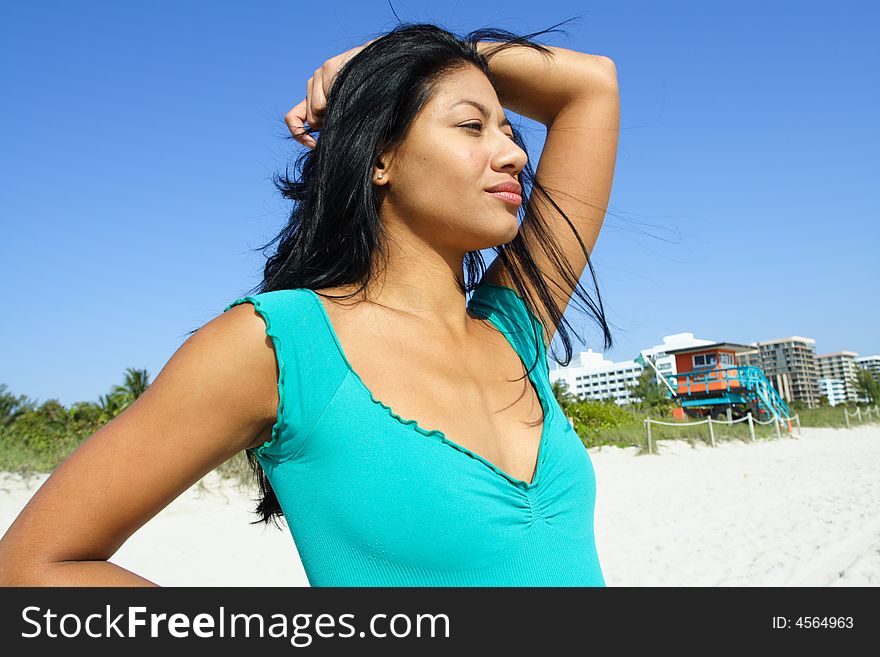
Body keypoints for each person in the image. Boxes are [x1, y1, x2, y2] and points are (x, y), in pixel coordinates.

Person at [0, 21, 619, 586]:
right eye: (471, 126)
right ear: (381, 156)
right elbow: (32, 567)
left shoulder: (514, 329)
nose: (513, 153)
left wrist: (394, 63)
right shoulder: (283, 346)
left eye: (511, 132)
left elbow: (592, 85)